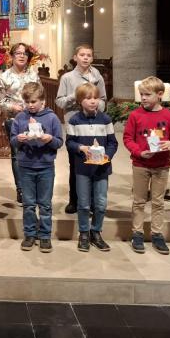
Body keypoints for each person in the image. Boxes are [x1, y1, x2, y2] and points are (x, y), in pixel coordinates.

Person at [123, 76, 170, 256]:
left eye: (147, 94)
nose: (143, 98)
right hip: (140, 164)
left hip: (162, 165)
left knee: (158, 201)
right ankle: (137, 233)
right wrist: (139, 152)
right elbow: (128, 139)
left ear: (160, 94)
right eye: (141, 95)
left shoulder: (169, 116)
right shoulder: (135, 115)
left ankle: (157, 234)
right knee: (139, 201)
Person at [11, 82, 63, 253]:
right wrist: (19, 138)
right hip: (25, 166)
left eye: (34, 101)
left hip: (45, 166)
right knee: (28, 204)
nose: (30, 105)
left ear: (43, 101)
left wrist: (49, 139)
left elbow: (59, 142)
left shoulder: (52, 118)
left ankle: (45, 235)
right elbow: (12, 141)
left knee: (45, 204)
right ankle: (30, 234)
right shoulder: (20, 118)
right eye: (27, 102)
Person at [65, 82, 118, 252]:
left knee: (101, 203)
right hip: (82, 169)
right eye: (88, 98)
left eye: (95, 98)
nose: (93, 101)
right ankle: (84, 233)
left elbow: (112, 143)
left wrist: (107, 155)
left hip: (101, 168)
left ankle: (96, 232)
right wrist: (81, 148)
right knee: (84, 204)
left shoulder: (105, 119)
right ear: (80, 101)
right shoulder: (74, 120)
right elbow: (70, 142)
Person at [55, 44, 107, 214]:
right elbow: (60, 102)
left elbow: (104, 100)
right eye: (82, 55)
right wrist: (76, 96)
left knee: (94, 159)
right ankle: (74, 200)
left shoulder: (97, 75)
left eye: (89, 55)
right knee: (75, 163)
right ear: (75, 57)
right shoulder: (67, 78)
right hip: (74, 123)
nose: (85, 58)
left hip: (94, 123)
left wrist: (93, 105)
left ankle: (92, 200)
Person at [0, 43, 41, 206]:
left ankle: (33, 187)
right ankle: (21, 189)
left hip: (33, 119)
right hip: (13, 120)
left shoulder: (34, 75)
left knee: (34, 150)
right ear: (12, 56)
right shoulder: (5, 76)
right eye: (18, 53)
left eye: (24, 53)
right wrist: (12, 106)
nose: (21, 56)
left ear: (28, 57)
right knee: (17, 154)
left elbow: (40, 94)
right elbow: (0, 98)